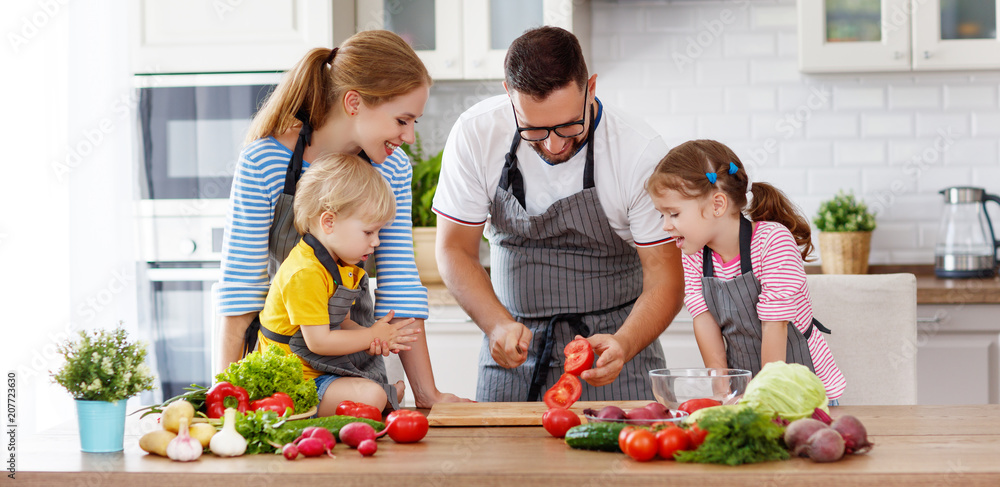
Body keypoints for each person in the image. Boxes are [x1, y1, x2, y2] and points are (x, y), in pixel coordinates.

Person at [215, 30, 469, 409]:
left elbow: (399, 282)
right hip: (280, 368)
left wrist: (427, 395)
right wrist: (221, 398)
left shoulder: (392, 168)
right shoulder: (265, 162)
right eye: (402, 120)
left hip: (353, 364)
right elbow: (241, 293)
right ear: (354, 102)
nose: (410, 136)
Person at [432, 26, 685, 402]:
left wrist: (624, 343)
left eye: (569, 126)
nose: (553, 145)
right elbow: (454, 249)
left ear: (592, 88)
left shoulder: (638, 151)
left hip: (612, 351)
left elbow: (666, 276)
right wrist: (497, 325)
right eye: (534, 130)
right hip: (512, 353)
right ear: (508, 95)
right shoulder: (475, 134)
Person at [645, 139, 846, 401]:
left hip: (800, 389)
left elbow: (775, 326)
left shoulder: (772, 242)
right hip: (744, 394)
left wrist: (768, 397)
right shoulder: (695, 254)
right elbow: (704, 321)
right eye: (662, 215)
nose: (665, 226)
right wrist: (722, 392)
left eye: (673, 214)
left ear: (718, 205)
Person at [257, 153, 420, 414]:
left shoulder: (345, 266)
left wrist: (372, 339)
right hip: (296, 382)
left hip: (319, 372)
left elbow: (341, 322)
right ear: (329, 222)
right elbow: (319, 343)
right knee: (372, 395)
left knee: (373, 391)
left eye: (378, 232)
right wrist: (371, 334)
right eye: (369, 232)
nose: (376, 242)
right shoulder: (305, 273)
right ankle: (381, 400)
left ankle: (381, 399)